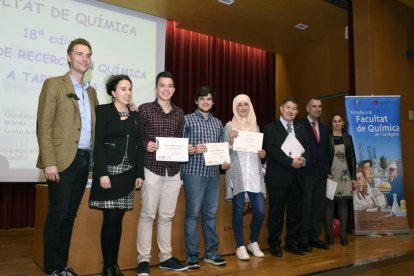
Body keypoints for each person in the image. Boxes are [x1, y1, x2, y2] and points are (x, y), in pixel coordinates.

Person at [36, 38, 98, 276]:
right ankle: (51, 268)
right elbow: (44, 124)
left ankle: (61, 267)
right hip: (61, 160)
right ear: (69, 57)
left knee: (70, 216)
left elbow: (95, 125)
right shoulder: (54, 84)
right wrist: (49, 161)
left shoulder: (91, 92)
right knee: (58, 215)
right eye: (80, 54)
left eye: (88, 55)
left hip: (83, 161)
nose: (84, 58)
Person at [89, 75, 144, 276]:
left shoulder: (135, 115)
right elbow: (98, 145)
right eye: (123, 89)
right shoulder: (103, 111)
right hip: (110, 173)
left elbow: (139, 146)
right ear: (113, 92)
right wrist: (102, 173)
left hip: (128, 174)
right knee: (110, 220)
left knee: (118, 220)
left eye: (129, 89)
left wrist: (139, 173)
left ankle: (114, 265)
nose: (127, 92)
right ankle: (107, 267)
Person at [136, 71, 189, 276]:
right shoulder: (145, 109)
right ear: (156, 88)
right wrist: (144, 144)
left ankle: (166, 257)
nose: (166, 89)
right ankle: (143, 260)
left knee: (167, 216)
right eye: (162, 85)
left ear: (174, 89)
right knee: (148, 214)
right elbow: (136, 137)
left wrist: (187, 149)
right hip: (151, 169)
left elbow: (179, 140)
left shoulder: (179, 113)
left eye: (170, 86)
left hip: (173, 171)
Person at [181, 86, 230, 269]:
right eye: (202, 99)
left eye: (209, 99)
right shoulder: (186, 120)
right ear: (196, 101)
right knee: (192, 214)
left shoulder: (218, 123)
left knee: (210, 215)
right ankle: (192, 256)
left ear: (213, 102)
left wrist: (225, 162)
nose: (205, 102)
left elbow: (221, 148)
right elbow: (179, 146)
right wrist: (193, 148)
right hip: (193, 172)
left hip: (213, 175)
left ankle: (211, 253)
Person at [263, 96, 310, 257]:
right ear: (281, 109)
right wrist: (290, 162)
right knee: (276, 213)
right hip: (278, 177)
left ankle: (292, 242)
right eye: (288, 107)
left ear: (297, 112)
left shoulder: (301, 127)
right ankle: (274, 243)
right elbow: (271, 149)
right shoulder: (270, 128)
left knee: (295, 213)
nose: (291, 111)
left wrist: (303, 159)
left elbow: (308, 148)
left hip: (298, 177)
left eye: (294, 109)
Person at [224, 94, 266, 260]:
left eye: (246, 105)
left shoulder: (255, 127)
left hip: (254, 174)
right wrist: (230, 142)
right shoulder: (229, 127)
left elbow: (257, 151)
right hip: (238, 174)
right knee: (238, 210)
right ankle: (240, 245)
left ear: (250, 107)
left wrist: (262, 154)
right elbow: (223, 153)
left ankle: (253, 241)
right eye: (239, 105)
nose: (243, 108)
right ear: (235, 107)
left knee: (260, 211)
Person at [297, 97, 330, 252]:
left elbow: (326, 152)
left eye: (319, 106)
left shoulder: (324, 128)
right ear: (307, 108)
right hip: (306, 173)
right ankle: (303, 240)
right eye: (314, 106)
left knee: (318, 207)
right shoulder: (299, 125)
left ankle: (314, 237)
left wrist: (327, 171)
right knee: (306, 207)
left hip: (321, 174)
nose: (317, 109)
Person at [325, 114, 356, 246]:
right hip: (330, 175)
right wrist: (325, 172)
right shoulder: (327, 138)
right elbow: (324, 157)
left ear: (343, 123)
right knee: (329, 206)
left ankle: (343, 236)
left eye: (339, 121)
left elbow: (352, 158)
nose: (337, 123)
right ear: (331, 124)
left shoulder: (348, 138)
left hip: (345, 176)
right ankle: (329, 236)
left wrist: (354, 178)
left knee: (343, 205)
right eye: (334, 121)